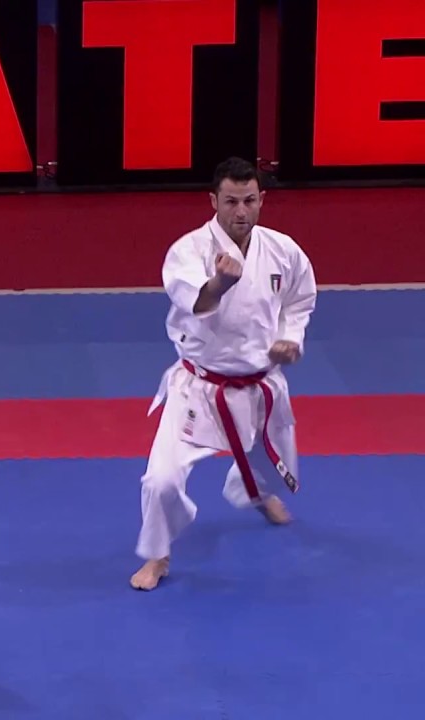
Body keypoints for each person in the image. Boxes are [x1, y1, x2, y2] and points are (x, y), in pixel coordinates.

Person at [131, 157, 317, 591]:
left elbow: (300, 300)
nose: (241, 211)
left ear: (262, 200)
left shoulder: (283, 250)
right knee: (160, 481)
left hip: (260, 384)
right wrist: (219, 283)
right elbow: (193, 300)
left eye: (249, 200)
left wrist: (290, 339)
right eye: (231, 201)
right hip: (200, 388)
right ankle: (158, 554)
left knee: (272, 467)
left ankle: (257, 495)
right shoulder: (189, 250)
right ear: (213, 201)